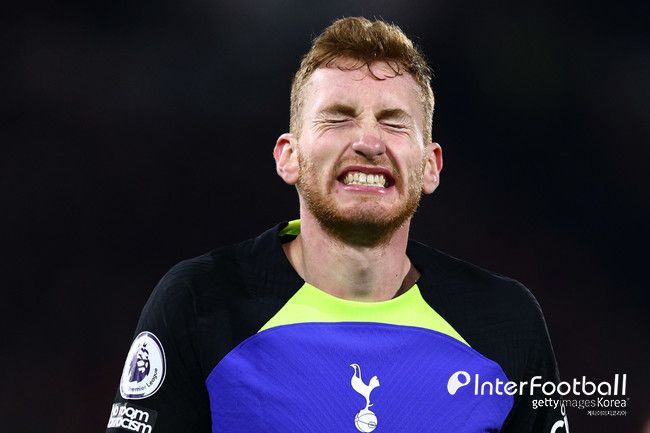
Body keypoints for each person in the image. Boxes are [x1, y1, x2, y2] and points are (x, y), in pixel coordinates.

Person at [106, 17, 568, 433]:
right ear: (289, 156)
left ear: (430, 166)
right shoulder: (201, 302)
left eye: (393, 123)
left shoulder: (505, 323)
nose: (368, 142)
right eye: (338, 118)